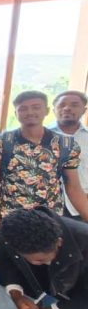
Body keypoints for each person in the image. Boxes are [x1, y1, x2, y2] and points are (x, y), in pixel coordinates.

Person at [0, 91, 88, 234]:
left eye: (36, 107)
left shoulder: (66, 144)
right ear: (16, 113)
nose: (30, 112)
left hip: (50, 219)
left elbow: (74, 188)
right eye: (23, 108)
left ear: (46, 111)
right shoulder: (3, 141)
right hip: (11, 217)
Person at [0, 208, 88, 309]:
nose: (35, 263)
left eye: (41, 260)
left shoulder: (85, 239)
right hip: (44, 287)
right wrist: (17, 295)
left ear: (59, 242)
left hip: (80, 296)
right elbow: (5, 261)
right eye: (28, 259)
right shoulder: (10, 235)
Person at [50, 91, 88, 221]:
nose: (67, 108)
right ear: (54, 110)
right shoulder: (40, 136)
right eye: (62, 105)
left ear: (84, 110)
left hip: (83, 205)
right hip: (47, 207)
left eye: (74, 105)